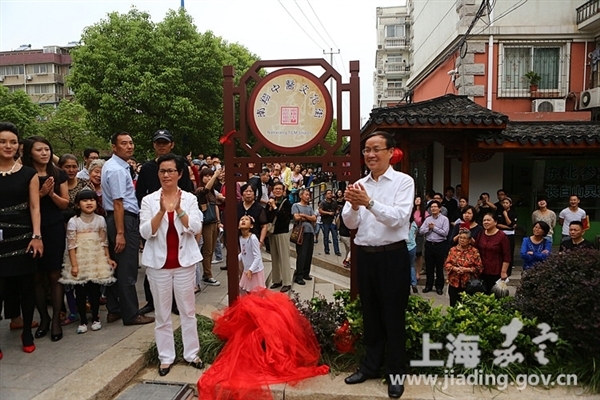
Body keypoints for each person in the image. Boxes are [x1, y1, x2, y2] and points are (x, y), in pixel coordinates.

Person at [342, 131, 414, 399]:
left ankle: (395, 373)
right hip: (366, 256)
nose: (370, 155)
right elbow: (350, 223)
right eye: (366, 150)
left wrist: (369, 203)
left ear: (390, 152)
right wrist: (352, 205)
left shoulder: (403, 182)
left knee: (393, 316)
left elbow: (398, 218)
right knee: (370, 314)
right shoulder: (360, 184)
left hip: (392, 256)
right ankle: (370, 366)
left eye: (376, 149)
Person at [140, 153, 204, 377]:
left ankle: (191, 353)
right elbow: (146, 232)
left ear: (179, 174)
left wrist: (178, 209)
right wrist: (160, 211)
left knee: (188, 311)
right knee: (162, 314)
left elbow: (195, 227)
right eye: (162, 171)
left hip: (184, 264)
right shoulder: (149, 200)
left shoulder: (189, 198)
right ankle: (166, 357)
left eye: (170, 171)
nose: (166, 175)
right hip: (158, 266)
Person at [0, 122, 44, 356]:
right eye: (3, 141)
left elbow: (35, 207)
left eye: (13, 142)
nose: (8, 146)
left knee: (26, 287)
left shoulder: (29, 173)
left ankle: (26, 331)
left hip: (24, 238)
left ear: (19, 146)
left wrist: (36, 236)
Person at [102, 131, 154, 326]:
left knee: (117, 268)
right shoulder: (116, 169)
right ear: (114, 147)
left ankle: (115, 309)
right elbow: (118, 203)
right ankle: (131, 314)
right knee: (126, 269)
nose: (129, 146)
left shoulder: (118, 167)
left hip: (120, 219)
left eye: (131, 143)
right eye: (124, 143)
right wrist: (121, 233)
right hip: (123, 220)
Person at [22, 136, 69, 342]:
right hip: (31, 228)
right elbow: (22, 205)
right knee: (37, 277)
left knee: (54, 274)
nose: (44, 153)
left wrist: (50, 195)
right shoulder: (23, 174)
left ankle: (57, 321)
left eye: (47, 149)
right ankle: (44, 319)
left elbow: (65, 204)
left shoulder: (58, 174)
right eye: (39, 150)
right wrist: (39, 193)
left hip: (54, 227)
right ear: (29, 152)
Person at [59, 190, 117, 333]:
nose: (89, 203)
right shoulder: (74, 221)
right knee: (80, 291)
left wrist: (107, 258)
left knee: (95, 291)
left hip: (96, 257)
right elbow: (71, 245)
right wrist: (74, 265)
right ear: (78, 205)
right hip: (80, 258)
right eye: (85, 200)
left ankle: (96, 317)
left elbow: (104, 241)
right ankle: (83, 320)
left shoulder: (100, 220)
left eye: (92, 200)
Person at [58, 153, 94, 326]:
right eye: (67, 167)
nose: (71, 170)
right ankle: (69, 310)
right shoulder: (57, 185)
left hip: (84, 232)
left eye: (74, 167)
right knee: (67, 273)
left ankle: (85, 305)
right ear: (61, 168)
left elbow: (92, 204)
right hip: (62, 231)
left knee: (84, 272)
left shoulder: (84, 184)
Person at [196, 168, 223, 287]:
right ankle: (208, 275)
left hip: (213, 222)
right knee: (207, 251)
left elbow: (216, 206)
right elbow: (206, 189)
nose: (208, 178)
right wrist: (216, 174)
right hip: (205, 224)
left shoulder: (213, 192)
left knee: (211, 249)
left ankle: (207, 273)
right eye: (205, 176)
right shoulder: (201, 190)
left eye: (210, 176)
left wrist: (218, 221)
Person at [266, 182, 293, 292]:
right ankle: (277, 279)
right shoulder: (271, 202)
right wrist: (270, 208)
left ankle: (287, 282)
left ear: (283, 191)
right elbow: (267, 217)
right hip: (272, 233)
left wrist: (274, 207)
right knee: (275, 257)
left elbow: (285, 218)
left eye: (279, 189)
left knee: (284, 257)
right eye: (275, 189)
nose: (277, 190)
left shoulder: (287, 203)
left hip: (283, 232)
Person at [444, 229, 483, 306]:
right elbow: (447, 264)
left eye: (464, 238)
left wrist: (467, 270)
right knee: (453, 305)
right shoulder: (453, 250)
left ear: (469, 240)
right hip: (454, 282)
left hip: (468, 284)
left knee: (466, 305)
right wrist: (455, 268)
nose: (462, 240)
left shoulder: (474, 251)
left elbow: (479, 267)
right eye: (460, 237)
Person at [474, 213, 510, 295]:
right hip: (481, 271)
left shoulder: (502, 236)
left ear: (495, 222)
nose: (486, 222)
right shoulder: (481, 234)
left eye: (488, 220)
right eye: (484, 220)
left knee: (494, 296)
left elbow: (507, 255)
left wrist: (504, 271)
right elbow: (475, 249)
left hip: (495, 271)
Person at [419, 200, 449, 295]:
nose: (433, 209)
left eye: (435, 207)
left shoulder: (444, 219)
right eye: (432, 207)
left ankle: (439, 287)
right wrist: (429, 228)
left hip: (440, 245)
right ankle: (428, 285)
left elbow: (445, 233)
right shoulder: (428, 219)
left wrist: (434, 228)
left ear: (440, 208)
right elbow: (421, 231)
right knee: (429, 267)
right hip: (429, 245)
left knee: (439, 267)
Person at [291, 188, 317, 286]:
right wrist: (308, 217)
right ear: (301, 195)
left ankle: (306, 273)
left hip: (310, 232)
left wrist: (303, 215)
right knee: (302, 254)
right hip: (301, 232)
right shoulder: (295, 205)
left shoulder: (310, 207)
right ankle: (299, 275)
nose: (308, 196)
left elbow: (314, 218)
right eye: (306, 194)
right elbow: (297, 217)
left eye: (308, 195)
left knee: (309, 253)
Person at [238, 216, 266, 294]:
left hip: (255, 270)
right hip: (247, 269)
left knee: (256, 292)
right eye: (241, 219)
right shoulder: (241, 238)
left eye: (246, 220)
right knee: (248, 291)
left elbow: (258, 256)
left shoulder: (253, 238)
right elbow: (244, 252)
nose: (243, 221)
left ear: (251, 226)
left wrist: (251, 270)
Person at [497, 197, 517, 276]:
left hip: (510, 235)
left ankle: (508, 271)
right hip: (501, 234)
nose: (505, 204)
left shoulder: (513, 213)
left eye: (507, 203)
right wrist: (508, 227)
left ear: (510, 204)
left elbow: (511, 224)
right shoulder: (498, 212)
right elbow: (497, 224)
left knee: (509, 252)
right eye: (503, 203)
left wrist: (505, 215)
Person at [319, 189, 342, 256]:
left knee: (335, 237)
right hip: (325, 221)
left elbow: (337, 209)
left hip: (333, 221)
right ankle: (326, 249)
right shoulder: (323, 203)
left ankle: (337, 250)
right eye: (328, 193)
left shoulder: (334, 202)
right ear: (326, 195)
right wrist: (328, 213)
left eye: (331, 193)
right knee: (326, 236)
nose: (330, 194)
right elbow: (320, 210)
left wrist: (337, 213)